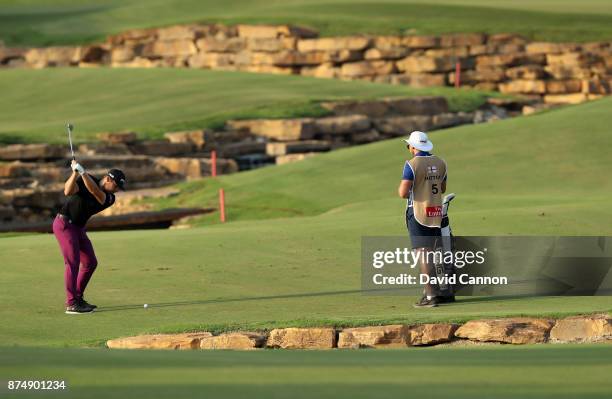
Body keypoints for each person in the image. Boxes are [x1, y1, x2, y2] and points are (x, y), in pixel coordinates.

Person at [53, 160, 126, 314]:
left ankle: (78, 297)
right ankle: (72, 303)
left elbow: (95, 192)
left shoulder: (109, 198)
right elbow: (67, 191)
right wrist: (75, 173)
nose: (117, 190)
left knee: (90, 262)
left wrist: (83, 172)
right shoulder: (87, 178)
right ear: (107, 179)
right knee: (73, 262)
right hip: (64, 224)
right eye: (116, 186)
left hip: (78, 228)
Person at [397, 131, 447, 308]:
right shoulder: (441, 162)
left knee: (423, 253)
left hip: (418, 212)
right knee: (432, 252)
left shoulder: (411, 164)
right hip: (435, 212)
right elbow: (442, 187)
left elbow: (403, 193)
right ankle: (436, 291)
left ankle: (431, 295)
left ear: (413, 147)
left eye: (408, 145)